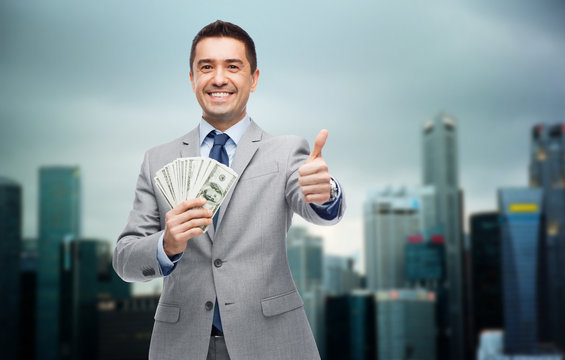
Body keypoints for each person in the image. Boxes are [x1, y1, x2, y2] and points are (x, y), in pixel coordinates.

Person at [113, 20, 345, 360]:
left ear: (253, 79)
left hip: (272, 342)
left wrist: (325, 194)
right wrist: (166, 244)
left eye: (232, 67)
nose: (219, 78)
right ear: (192, 78)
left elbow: (313, 204)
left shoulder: (285, 151)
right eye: (206, 67)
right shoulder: (157, 160)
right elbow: (125, 259)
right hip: (181, 344)